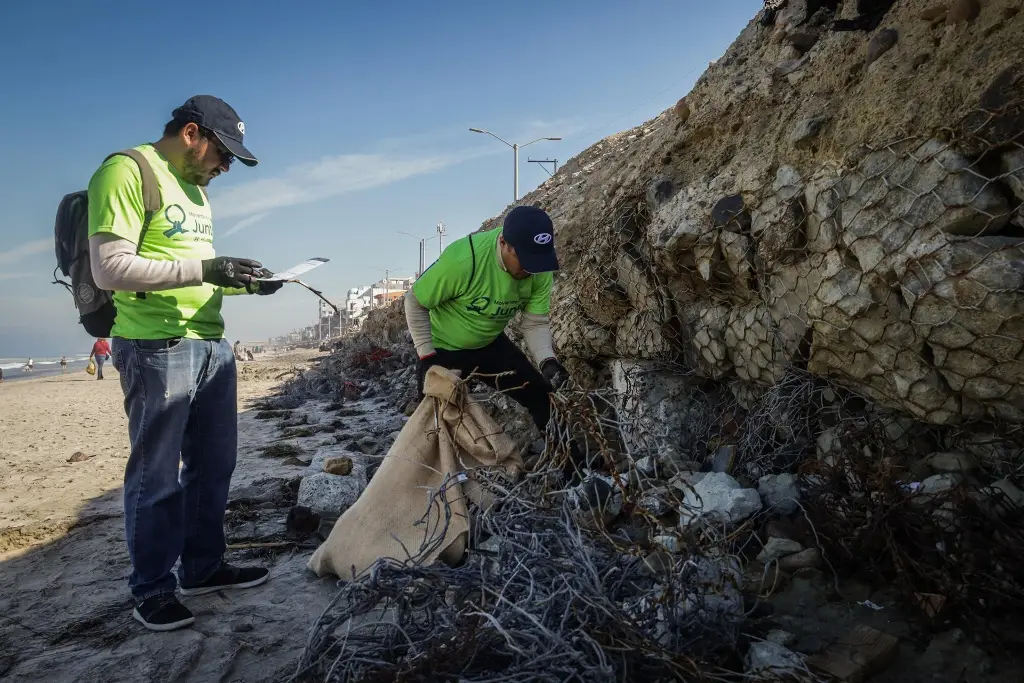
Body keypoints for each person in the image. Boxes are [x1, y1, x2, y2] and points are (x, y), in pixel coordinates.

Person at [87, 95, 284, 632]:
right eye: (224, 154)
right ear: (192, 133)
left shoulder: (196, 189)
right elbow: (110, 268)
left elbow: (191, 272)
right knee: (156, 475)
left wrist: (244, 284)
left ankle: (202, 567)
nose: (226, 168)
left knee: (214, 465)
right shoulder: (127, 170)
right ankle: (151, 588)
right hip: (155, 346)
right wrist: (207, 269)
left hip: (211, 343)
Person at [404, 204, 569, 438]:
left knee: (541, 396)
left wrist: (547, 360)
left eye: (535, 262)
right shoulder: (464, 260)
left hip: (490, 344)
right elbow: (414, 302)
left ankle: (570, 459)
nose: (529, 270)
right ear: (503, 243)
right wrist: (427, 356)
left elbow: (534, 323)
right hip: (443, 349)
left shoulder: (538, 268)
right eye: (523, 259)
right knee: (435, 425)